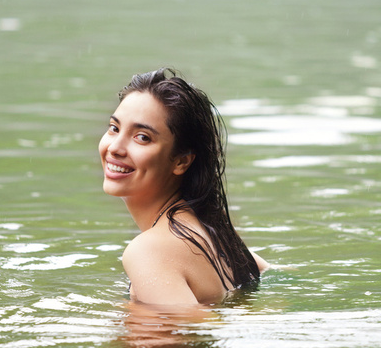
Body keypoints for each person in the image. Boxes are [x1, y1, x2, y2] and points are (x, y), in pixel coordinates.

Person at [98, 68, 268, 306]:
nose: (115, 147)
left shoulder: (148, 252)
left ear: (181, 161)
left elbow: (193, 330)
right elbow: (276, 275)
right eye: (114, 128)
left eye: (143, 137)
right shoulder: (217, 235)